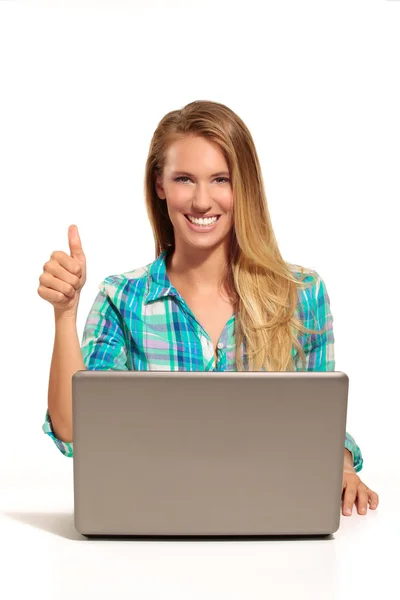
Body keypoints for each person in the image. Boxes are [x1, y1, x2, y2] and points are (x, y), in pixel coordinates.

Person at [38, 99, 379, 518]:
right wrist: (65, 314)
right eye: (184, 179)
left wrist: (341, 468)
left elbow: (317, 425)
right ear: (160, 185)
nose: (202, 201)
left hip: (272, 528)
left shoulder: (301, 294)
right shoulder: (121, 299)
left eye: (221, 179)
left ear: (244, 187)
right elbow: (74, 431)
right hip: (150, 527)